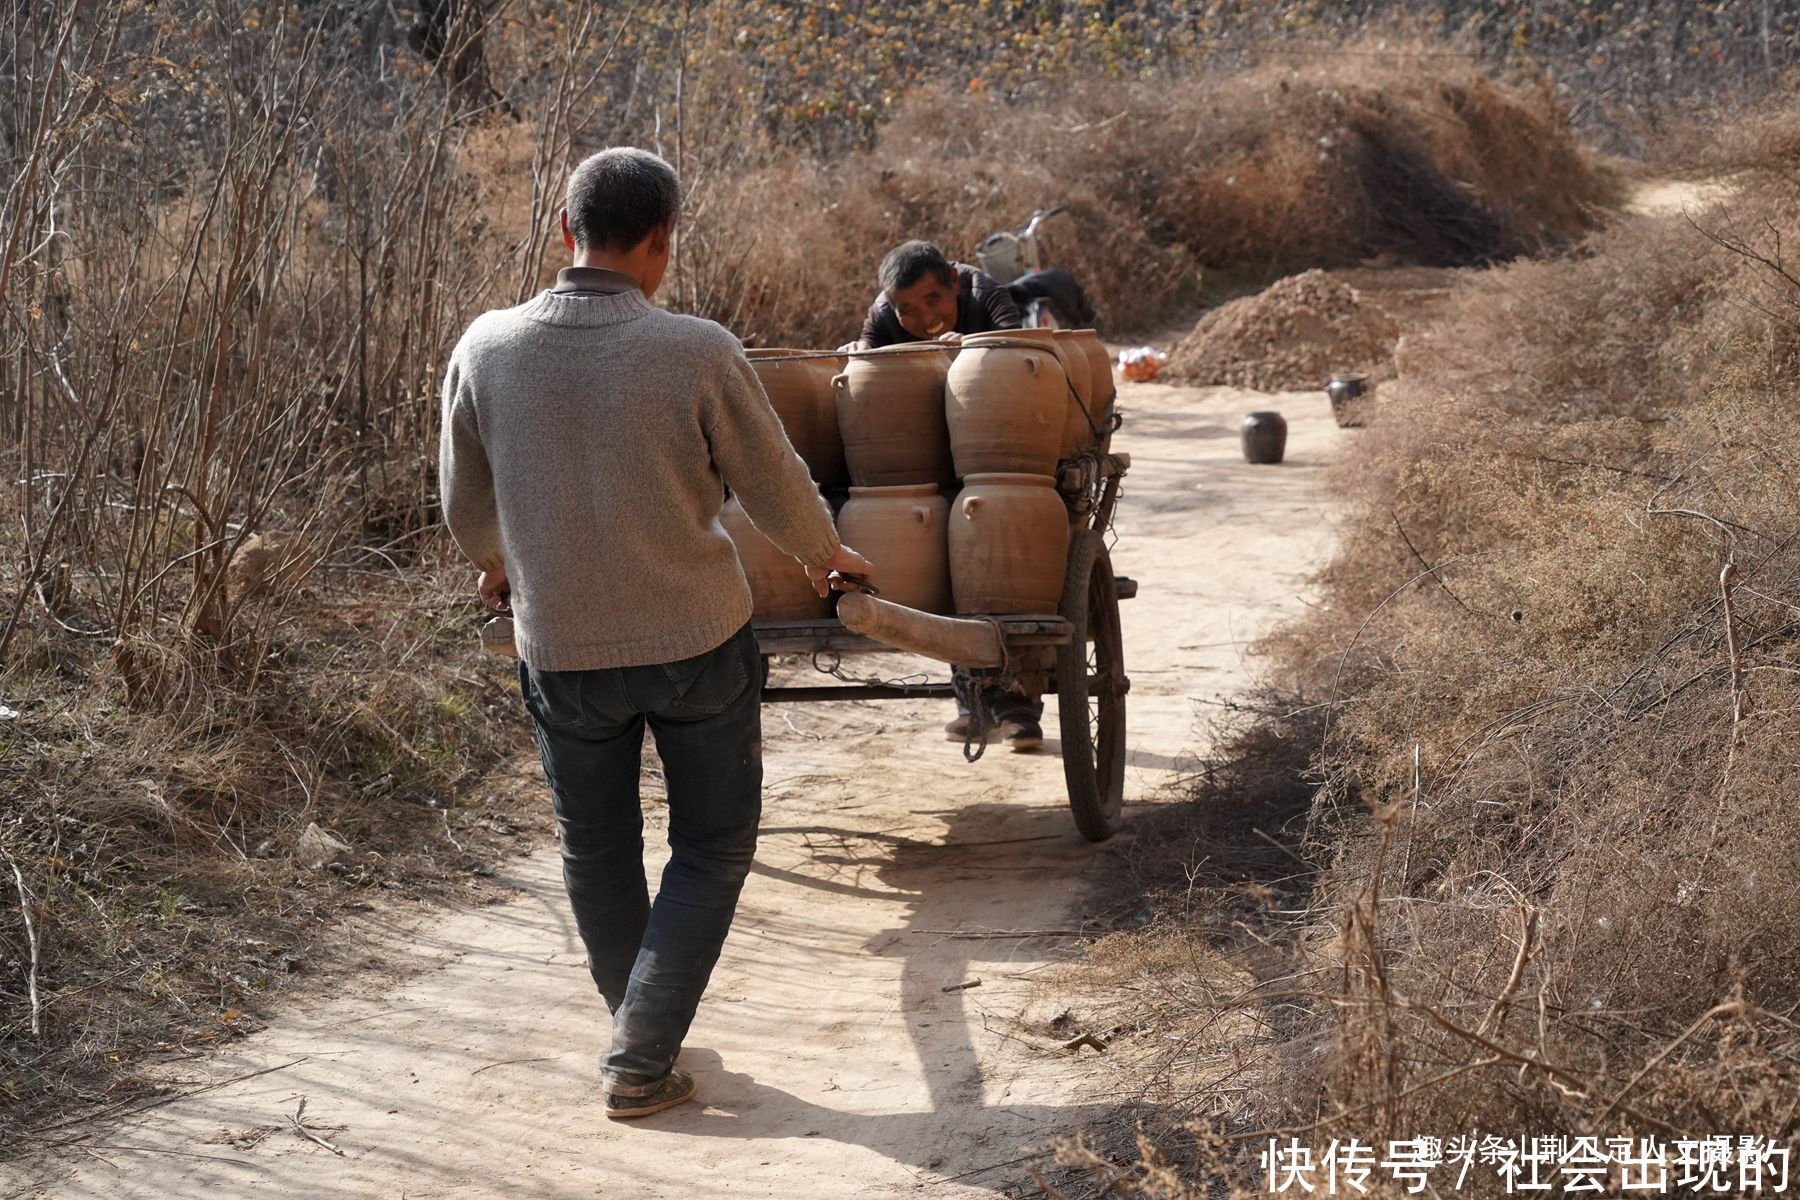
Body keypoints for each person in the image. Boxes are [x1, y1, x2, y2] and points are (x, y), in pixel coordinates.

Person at [439, 147, 873, 1120]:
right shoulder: (696, 350)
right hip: (694, 645)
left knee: (595, 848)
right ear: (662, 242)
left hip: (559, 647)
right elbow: (774, 483)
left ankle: (639, 1026)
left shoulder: (486, 350)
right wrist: (829, 558)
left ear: (565, 232)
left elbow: (466, 509)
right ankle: (640, 1050)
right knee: (712, 845)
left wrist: (506, 564)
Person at [847, 240, 1047, 752]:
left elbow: (1025, 363)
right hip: (930, 463)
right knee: (947, 563)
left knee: (1003, 560)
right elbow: (868, 371)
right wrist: (857, 362)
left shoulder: (987, 293)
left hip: (1000, 460)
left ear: (954, 284)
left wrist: (976, 353)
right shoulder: (883, 314)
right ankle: (973, 702)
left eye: (934, 300)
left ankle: (1019, 704)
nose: (923, 318)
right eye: (907, 309)